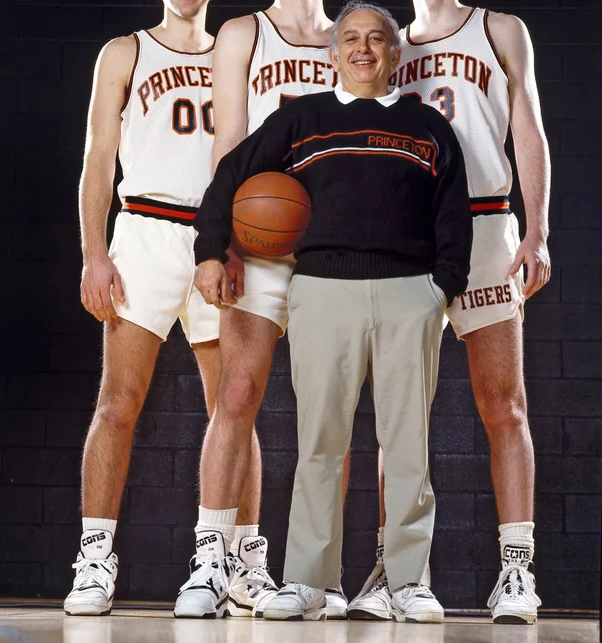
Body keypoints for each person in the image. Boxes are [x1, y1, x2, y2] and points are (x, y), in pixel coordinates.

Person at [192, 1, 473, 622]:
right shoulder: (303, 119)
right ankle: (308, 583)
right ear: (334, 53)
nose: (364, 48)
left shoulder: (429, 126)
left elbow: (454, 211)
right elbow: (230, 176)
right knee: (319, 443)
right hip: (320, 290)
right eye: (351, 38)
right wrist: (211, 249)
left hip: (410, 295)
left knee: (408, 448)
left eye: (377, 39)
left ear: (397, 54)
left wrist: (441, 291)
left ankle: (407, 582)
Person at [348, 0, 550, 626]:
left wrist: (537, 231)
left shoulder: (499, 29)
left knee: (503, 404)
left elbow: (528, 129)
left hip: (487, 224)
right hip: (411, 237)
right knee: (400, 418)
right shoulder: (389, 45)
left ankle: (517, 569)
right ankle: (398, 571)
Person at [63, 0, 261, 618]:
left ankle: (239, 560)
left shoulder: (236, 49)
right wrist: (95, 253)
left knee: (233, 406)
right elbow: (98, 159)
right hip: (145, 229)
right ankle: (95, 558)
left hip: (216, 237)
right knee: (117, 401)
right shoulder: (125, 51)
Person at [175, 0, 349, 620]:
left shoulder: (351, 39)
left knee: (328, 410)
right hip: (259, 240)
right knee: (238, 391)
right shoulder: (244, 32)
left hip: (333, 244)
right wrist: (221, 241)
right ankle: (210, 559)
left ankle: (317, 571)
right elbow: (228, 145)